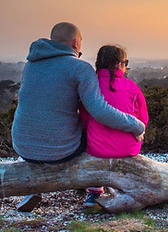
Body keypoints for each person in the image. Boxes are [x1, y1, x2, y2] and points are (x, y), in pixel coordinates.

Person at [11, 22, 145, 212]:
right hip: (60, 151)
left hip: (23, 146)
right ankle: (95, 187)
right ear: (75, 42)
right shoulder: (79, 68)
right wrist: (136, 125)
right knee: (92, 135)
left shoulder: (30, 65)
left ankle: (32, 188)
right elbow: (99, 111)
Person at [80, 44, 149, 207]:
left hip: (98, 148)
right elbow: (143, 118)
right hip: (129, 148)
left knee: (90, 144)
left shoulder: (91, 87)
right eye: (126, 63)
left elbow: (84, 119)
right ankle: (122, 187)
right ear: (119, 64)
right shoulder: (132, 87)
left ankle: (94, 192)